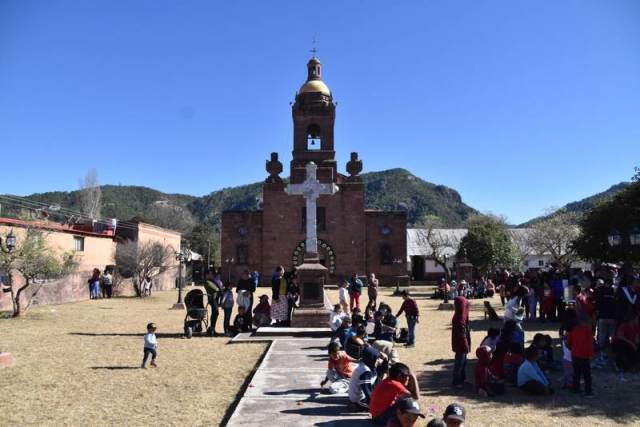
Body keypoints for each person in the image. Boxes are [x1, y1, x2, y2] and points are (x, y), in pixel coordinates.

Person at [347, 346, 388, 412]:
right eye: (376, 358)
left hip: (362, 395)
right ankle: (357, 406)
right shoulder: (365, 371)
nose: (378, 360)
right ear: (371, 358)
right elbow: (368, 393)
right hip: (359, 399)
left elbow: (383, 371)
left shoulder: (367, 364)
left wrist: (386, 359)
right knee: (385, 407)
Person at [567, 315, 595, 397]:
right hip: (584, 356)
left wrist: (571, 348)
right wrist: (591, 355)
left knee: (576, 373)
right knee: (587, 374)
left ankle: (575, 389)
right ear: (585, 323)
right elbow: (590, 345)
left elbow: (569, 342)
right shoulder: (587, 332)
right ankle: (588, 391)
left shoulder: (574, 330)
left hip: (575, 355)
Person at [451, 295, 470, 388]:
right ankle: (457, 381)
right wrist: (466, 345)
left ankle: (462, 379)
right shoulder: (459, 318)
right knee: (459, 363)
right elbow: (462, 335)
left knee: (463, 362)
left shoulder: (459, 316)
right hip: (460, 345)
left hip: (460, 344)